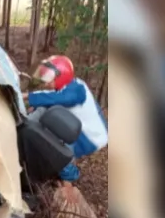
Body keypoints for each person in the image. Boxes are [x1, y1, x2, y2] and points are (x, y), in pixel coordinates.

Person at [22, 54, 108, 182]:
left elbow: (61, 98)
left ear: (61, 76)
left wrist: (29, 97)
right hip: (75, 126)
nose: (46, 83)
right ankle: (24, 127)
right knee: (42, 110)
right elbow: (51, 95)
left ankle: (70, 175)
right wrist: (28, 98)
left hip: (89, 136)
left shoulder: (77, 91)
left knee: (52, 145)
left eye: (49, 78)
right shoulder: (68, 86)